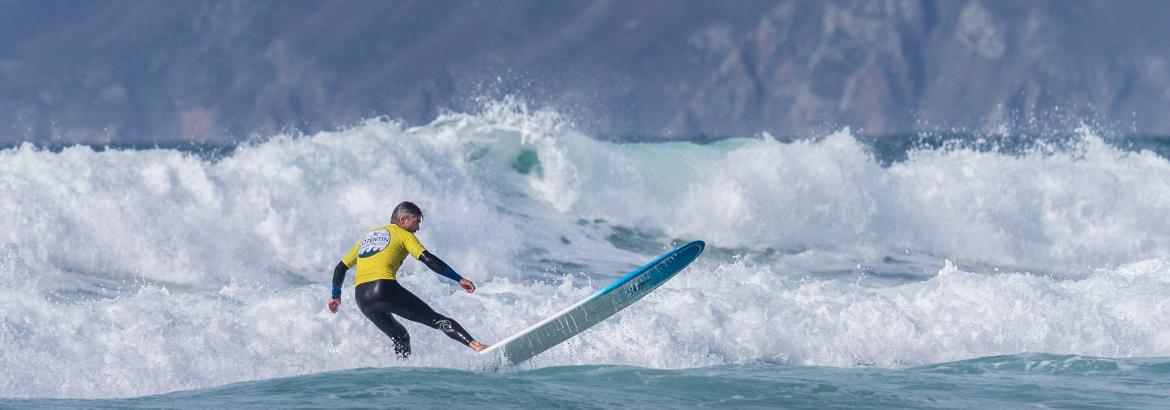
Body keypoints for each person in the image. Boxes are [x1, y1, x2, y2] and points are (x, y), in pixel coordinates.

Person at [327, 201, 488, 358]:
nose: (418, 227)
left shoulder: (368, 236)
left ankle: (400, 372)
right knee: (437, 319)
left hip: (362, 297)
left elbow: (340, 267)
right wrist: (458, 279)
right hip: (383, 288)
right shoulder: (403, 234)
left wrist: (336, 296)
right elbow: (427, 259)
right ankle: (476, 345)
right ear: (403, 220)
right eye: (416, 222)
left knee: (400, 337)